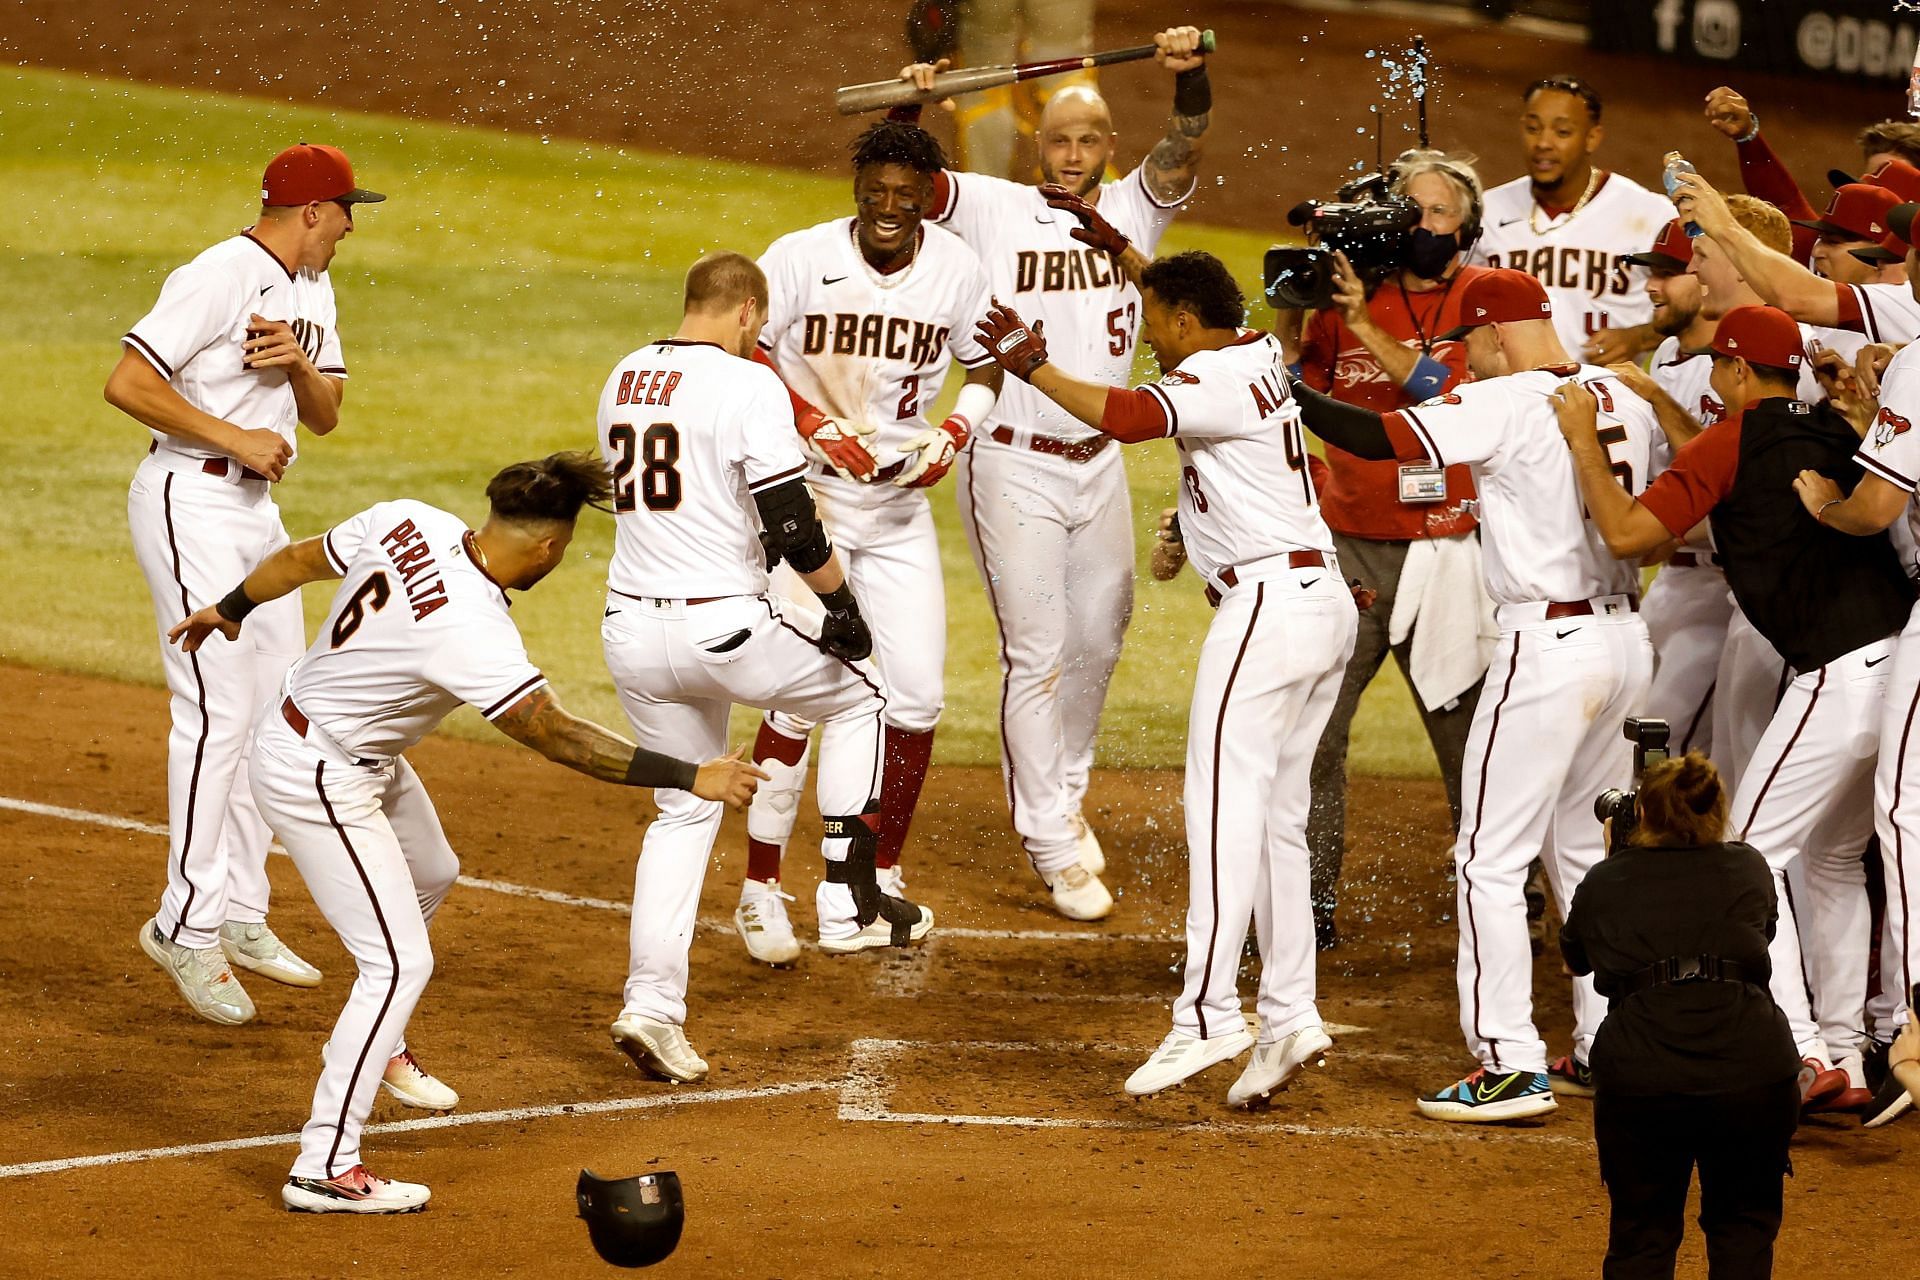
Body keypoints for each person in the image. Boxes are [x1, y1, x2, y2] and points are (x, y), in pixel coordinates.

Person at [167, 453, 765, 1213]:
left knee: (435, 870)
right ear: (548, 547)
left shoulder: (408, 519)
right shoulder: (472, 628)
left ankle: (380, 1040)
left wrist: (229, 607)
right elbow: (554, 734)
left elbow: (293, 560)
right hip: (318, 772)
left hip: (332, 736)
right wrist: (692, 775)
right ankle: (325, 1164)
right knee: (395, 966)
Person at [974, 252, 1356, 1104]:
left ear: (1185, 321)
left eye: (1155, 323)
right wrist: (1195, 522)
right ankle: (1290, 1011)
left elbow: (1124, 416)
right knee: (1278, 824)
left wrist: (1033, 365)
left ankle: (1208, 1017)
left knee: (1221, 811)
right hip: (1319, 599)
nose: (1149, 340)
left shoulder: (1213, 375)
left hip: (1267, 610)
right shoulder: (1257, 353)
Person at [1292, 268, 1659, 1121]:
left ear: (1495, 333)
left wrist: (1287, 394)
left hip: (1549, 649)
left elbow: (1381, 438)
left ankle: (1508, 1062)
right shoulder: (1623, 395)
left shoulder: (1511, 397)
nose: (1468, 362)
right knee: (1580, 850)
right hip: (1626, 641)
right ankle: (1607, 1039)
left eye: (1468, 346)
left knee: (1487, 858)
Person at [1555, 304, 1916, 1115]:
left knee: (1750, 853)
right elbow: (1722, 460)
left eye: (1719, 368)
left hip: (1839, 671)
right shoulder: (1827, 430)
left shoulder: (1735, 437)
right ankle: (1850, 1058)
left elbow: (1626, 534)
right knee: (1828, 860)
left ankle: (1802, 1049)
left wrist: (1584, 436)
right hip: (1896, 665)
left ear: (1737, 372)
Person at [898, 28, 1209, 920]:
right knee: (1034, 654)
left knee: (1098, 644)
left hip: (1099, 465)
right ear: (1041, 146)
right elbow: (910, 185)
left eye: (1089, 141)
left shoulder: (1136, 212)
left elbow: (1186, 139)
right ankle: (1047, 837)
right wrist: (920, 104)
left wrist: (1192, 77)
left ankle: (1064, 795)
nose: (1073, 155)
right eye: (1060, 141)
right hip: (1012, 464)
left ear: (1109, 147)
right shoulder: (995, 208)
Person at [604, 253, 932, 1080]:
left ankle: (651, 1007)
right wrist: (843, 608)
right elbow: (790, 521)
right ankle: (843, 893)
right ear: (749, 312)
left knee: (682, 812)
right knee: (865, 696)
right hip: (723, 628)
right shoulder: (748, 384)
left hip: (632, 634)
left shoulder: (625, 374)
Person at [107, 143, 383, 1025]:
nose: (350, 225)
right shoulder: (219, 275)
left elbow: (327, 413)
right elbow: (126, 383)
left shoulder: (312, 287)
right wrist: (232, 434)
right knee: (216, 714)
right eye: (346, 209)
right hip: (191, 502)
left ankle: (239, 913)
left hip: (255, 517)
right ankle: (184, 927)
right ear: (312, 211)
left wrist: (296, 366)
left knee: (272, 713)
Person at [731, 121, 1001, 959]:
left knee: (915, 699)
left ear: (929, 196)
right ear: (857, 188)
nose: (888, 208)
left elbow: (987, 363)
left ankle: (873, 879)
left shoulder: (954, 269)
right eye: (874, 191)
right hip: (808, 504)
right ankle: (760, 888)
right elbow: (746, 346)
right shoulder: (802, 257)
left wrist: (954, 432)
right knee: (801, 698)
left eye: (905, 195)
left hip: (896, 513)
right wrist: (810, 419)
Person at [1293, 149, 1496, 950]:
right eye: (1406, 208)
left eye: (1437, 211)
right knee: (1314, 731)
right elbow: (1298, 398)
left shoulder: (1484, 303)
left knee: (1470, 745)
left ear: (1468, 228)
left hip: (1448, 554)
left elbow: (1448, 398)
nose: (1419, 224)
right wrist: (1303, 306)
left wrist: (1366, 325)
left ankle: (1506, 900)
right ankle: (1307, 902)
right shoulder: (1343, 299)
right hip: (1351, 550)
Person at [1560, 752, 1800, 1280]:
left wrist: (1614, 861)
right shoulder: (1749, 866)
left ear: (1642, 814)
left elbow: (1576, 957)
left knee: (1643, 1236)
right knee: (1743, 1227)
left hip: (1644, 1079)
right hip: (1753, 1072)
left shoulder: (1607, 881)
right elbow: (1763, 931)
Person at [1470, 75, 1675, 365]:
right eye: (1532, 128)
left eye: (1562, 132)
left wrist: (1641, 337)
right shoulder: (1485, 210)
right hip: (1511, 398)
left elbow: (1702, 303)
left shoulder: (1650, 214)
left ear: (1592, 137)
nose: (1543, 143)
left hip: (1607, 398)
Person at [1703, 83, 1920, 266]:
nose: (1867, 191)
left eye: (1884, 186)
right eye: (1867, 179)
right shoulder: (1828, 252)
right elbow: (1786, 205)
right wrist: (1748, 139)